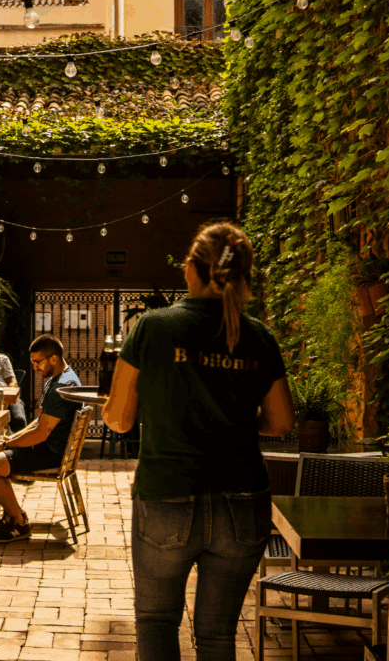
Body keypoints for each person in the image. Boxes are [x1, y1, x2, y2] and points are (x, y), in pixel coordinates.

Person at [102, 222, 295, 661]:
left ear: (191, 268)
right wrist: (234, 423)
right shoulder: (259, 336)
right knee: (217, 634)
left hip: (168, 496)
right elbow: (282, 421)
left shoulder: (152, 328)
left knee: (156, 622)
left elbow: (118, 418)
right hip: (243, 500)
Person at [0, 334, 82, 543]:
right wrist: (11, 438)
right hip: (49, 448)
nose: (34, 368)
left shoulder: (61, 387)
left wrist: (7, 443)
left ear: (53, 359)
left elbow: (40, 433)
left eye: (37, 362)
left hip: (50, 454)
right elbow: (39, 422)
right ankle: (12, 513)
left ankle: (19, 522)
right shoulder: (62, 378)